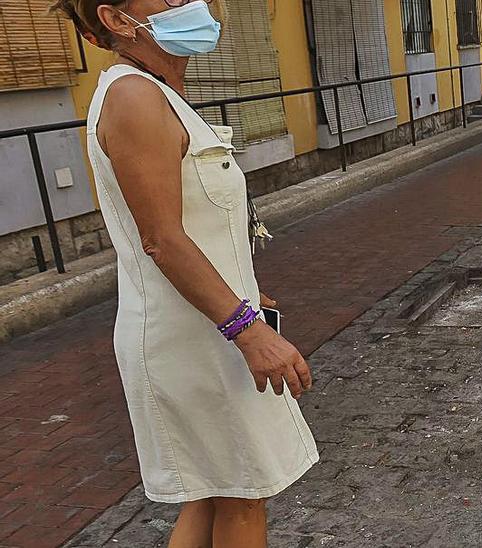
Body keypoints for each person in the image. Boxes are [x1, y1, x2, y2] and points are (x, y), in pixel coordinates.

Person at [49, 0, 318, 546]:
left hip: (207, 322)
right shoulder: (133, 96)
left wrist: (243, 284)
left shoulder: (156, 92)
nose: (192, 3)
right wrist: (249, 329)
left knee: (212, 493)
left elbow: (195, 224)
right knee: (244, 494)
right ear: (119, 19)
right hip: (197, 338)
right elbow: (162, 239)